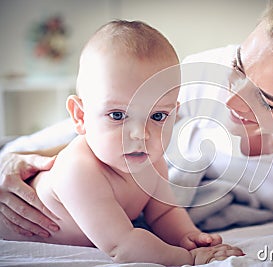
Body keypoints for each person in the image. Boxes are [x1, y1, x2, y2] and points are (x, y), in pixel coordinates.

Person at [1, 0, 273, 240]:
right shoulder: (205, 75)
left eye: (267, 100)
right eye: (240, 65)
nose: (231, 97)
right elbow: (90, 129)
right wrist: (16, 157)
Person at [0, 20, 244, 265]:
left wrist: (188, 237)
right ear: (80, 116)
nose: (140, 134)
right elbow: (122, 245)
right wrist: (188, 258)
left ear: (174, 113)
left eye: (158, 116)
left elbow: (164, 213)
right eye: (117, 115)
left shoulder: (152, 161)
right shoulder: (78, 170)